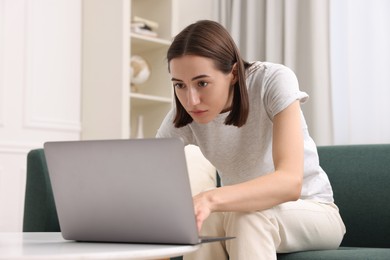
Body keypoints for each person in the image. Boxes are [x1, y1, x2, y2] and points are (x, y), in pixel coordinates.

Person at [156, 20, 345, 260]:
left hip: (313, 211)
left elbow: (290, 182)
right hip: (238, 214)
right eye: (180, 85)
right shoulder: (185, 116)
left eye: (202, 83)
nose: (191, 100)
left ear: (234, 73)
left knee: (248, 217)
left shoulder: (272, 80)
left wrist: (209, 197)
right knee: (204, 220)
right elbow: (150, 182)